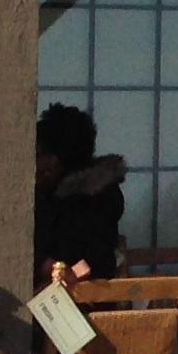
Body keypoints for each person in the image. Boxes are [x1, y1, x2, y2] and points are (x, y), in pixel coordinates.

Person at [34, 103, 124, 278]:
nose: (36, 164)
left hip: (79, 297)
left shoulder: (90, 201)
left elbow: (87, 264)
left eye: (41, 155)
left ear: (57, 160)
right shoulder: (50, 193)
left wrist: (44, 264)